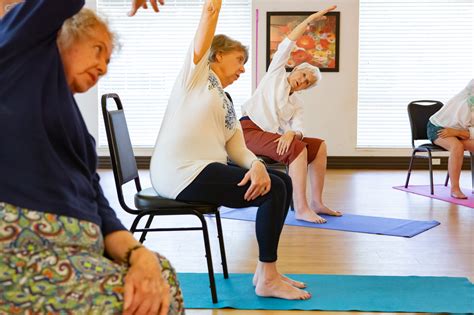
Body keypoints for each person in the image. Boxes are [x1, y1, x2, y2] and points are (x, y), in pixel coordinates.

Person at [0, 0, 185, 314]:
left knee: (161, 274)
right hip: (25, 249)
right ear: (61, 33)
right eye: (98, 49)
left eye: (109, 61)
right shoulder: (18, 55)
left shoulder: (78, 133)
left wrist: (140, 256)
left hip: (76, 253)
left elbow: (101, 209)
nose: (103, 67)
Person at [150, 0, 310, 300]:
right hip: (180, 173)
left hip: (203, 170)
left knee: (281, 181)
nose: (243, 67)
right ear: (217, 55)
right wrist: (214, 8)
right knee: (275, 190)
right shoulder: (195, 77)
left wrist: (257, 165)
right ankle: (268, 276)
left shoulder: (224, 98)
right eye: (239, 59)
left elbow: (237, 146)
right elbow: (209, 14)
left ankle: (266, 272)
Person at [240, 5, 341, 224]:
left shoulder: (297, 103)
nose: (303, 81)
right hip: (248, 131)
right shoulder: (275, 74)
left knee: (318, 145)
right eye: (303, 74)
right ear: (295, 69)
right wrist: (312, 18)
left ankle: (316, 202)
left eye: (307, 82)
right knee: (297, 148)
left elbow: (300, 127)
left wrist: (292, 134)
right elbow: (288, 43)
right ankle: (301, 208)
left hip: (269, 137)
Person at [427, 79, 474, 199]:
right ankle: (455, 189)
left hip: (459, 130)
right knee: (456, 146)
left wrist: (456, 133)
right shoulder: (468, 92)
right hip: (438, 126)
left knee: (460, 145)